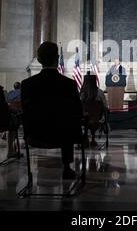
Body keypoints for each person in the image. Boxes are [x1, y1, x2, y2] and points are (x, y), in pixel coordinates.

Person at [21, 42, 83, 179]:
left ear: (38, 60)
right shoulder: (69, 84)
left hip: (35, 135)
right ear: (57, 57)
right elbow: (78, 112)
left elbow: (25, 112)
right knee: (68, 123)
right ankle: (66, 167)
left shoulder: (26, 85)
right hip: (63, 136)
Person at [80, 74, 108, 147]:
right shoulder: (100, 92)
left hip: (83, 119)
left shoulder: (82, 94)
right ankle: (92, 139)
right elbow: (105, 106)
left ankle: (84, 137)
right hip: (97, 119)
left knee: (85, 117)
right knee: (92, 119)